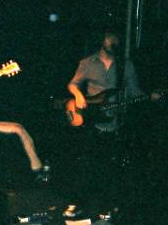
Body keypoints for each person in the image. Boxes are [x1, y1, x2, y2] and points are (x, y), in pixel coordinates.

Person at [66, 28, 159, 213]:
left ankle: (108, 208)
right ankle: (79, 204)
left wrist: (150, 96)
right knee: (87, 165)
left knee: (111, 168)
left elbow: (133, 91)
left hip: (114, 122)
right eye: (110, 37)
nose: (113, 41)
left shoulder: (125, 65)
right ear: (102, 39)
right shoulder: (87, 62)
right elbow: (73, 84)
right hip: (91, 121)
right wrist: (78, 95)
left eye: (116, 38)